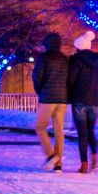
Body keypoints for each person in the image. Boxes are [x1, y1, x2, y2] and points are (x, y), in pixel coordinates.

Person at [67, 30, 98, 174]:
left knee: (82, 134)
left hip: (79, 100)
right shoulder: (97, 60)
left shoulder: (75, 60)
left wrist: (68, 96)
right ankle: (94, 156)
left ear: (78, 47)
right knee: (91, 131)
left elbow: (71, 80)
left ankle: (83, 164)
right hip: (94, 100)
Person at [32, 32, 69, 171]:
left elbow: (37, 76)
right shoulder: (66, 59)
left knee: (40, 127)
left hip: (48, 97)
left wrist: (40, 91)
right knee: (59, 130)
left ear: (47, 44)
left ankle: (51, 155)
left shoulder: (44, 58)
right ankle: (58, 164)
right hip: (62, 98)